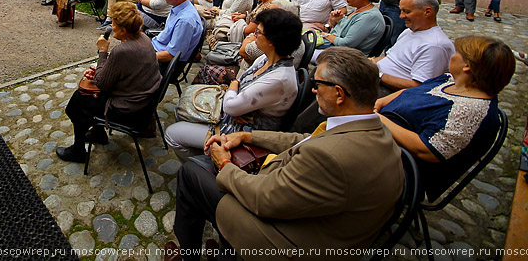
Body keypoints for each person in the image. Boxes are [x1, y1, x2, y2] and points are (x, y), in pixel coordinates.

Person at [167, 46, 403, 261]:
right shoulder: (374, 128)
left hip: (286, 242)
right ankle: (225, 253)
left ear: (339, 94)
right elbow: (305, 140)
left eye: (318, 84)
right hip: (326, 225)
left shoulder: (331, 157)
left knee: (191, 173)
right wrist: (247, 136)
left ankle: (190, 256)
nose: (313, 89)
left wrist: (225, 164)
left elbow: (264, 200)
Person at [376, 36, 515, 201]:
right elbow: (412, 92)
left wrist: (378, 118)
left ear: (467, 66)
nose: (452, 55)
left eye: (457, 53)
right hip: (382, 139)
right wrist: (379, 103)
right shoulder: (450, 81)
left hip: (400, 168)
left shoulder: (471, 111)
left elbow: (427, 150)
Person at [165, 9, 301, 160]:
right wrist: (235, 91)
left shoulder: (278, 79)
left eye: (258, 32)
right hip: (234, 116)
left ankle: (208, 164)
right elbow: (239, 82)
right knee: (183, 109)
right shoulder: (266, 59)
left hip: (245, 133)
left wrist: (234, 92)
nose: (254, 35)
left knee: (172, 133)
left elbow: (231, 104)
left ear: (272, 41)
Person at [55, 3, 162, 162]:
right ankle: (98, 133)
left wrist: (103, 53)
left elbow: (101, 84)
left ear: (123, 30)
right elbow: (122, 70)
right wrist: (103, 68)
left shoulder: (122, 50)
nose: (111, 27)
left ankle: (78, 151)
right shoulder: (144, 38)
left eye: (114, 24)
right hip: (145, 101)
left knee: (78, 102)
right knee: (85, 96)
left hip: (129, 109)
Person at [372, 0, 454, 94]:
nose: (401, 16)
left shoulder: (434, 46)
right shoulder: (409, 31)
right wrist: (372, 62)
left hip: (392, 92)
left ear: (427, 12)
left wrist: (377, 75)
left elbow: (419, 87)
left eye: (407, 11)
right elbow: (391, 57)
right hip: (379, 80)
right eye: (401, 11)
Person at [316, 0, 385, 56]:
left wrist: (325, 35)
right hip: (335, 49)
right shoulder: (357, 9)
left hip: (346, 56)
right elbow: (344, 31)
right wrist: (335, 21)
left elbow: (346, 43)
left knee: (305, 50)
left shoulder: (369, 17)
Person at [152, 0, 204, 71]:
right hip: (159, 49)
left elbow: (171, 55)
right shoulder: (178, 8)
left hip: (164, 64)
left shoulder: (185, 21)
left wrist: (146, 57)